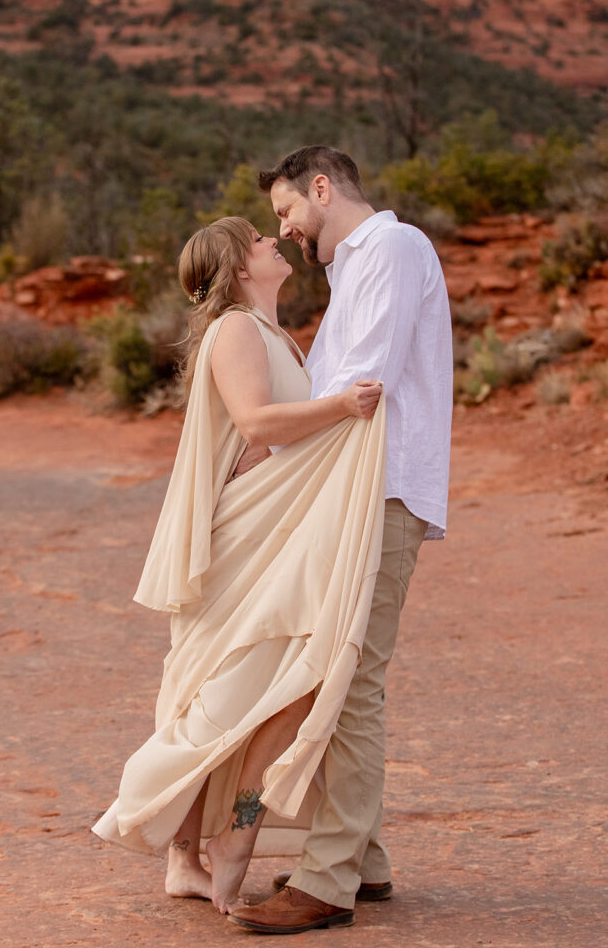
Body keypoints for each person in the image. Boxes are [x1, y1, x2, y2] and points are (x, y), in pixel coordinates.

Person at [92, 216, 388, 917]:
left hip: (269, 537)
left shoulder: (270, 331)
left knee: (286, 691)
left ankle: (213, 848)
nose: (271, 242)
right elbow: (256, 424)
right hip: (242, 543)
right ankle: (192, 842)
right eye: (257, 239)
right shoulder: (234, 329)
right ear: (236, 265)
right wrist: (343, 407)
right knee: (230, 699)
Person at [228, 146, 452, 934]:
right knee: (336, 670)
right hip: (354, 485)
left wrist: (270, 445)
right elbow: (336, 381)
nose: (284, 230)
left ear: (322, 189)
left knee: (351, 680)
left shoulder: (389, 247)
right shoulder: (353, 263)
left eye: (288, 211)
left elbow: (362, 379)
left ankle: (327, 880)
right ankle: (364, 860)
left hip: (380, 487)